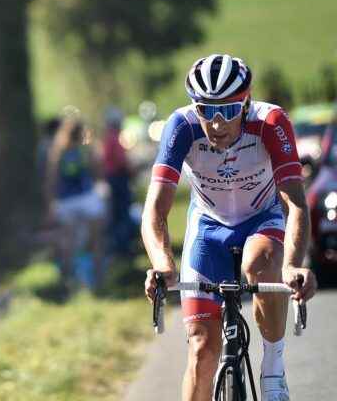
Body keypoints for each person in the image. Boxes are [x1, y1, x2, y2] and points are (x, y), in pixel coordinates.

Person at [142, 54, 317, 401]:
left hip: (262, 219)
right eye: (207, 110)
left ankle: (273, 370)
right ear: (195, 108)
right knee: (202, 350)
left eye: (229, 110)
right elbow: (154, 211)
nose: (218, 123)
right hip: (209, 227)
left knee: (259, 262)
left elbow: (295, 203)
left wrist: (293, 264)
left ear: (247, 102)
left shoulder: (271, 122)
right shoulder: (181, 126)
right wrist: (163, 264)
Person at [44, 115, 106, 288]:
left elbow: (51, 180)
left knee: (69, 243)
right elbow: (98, 171)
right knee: (96, 240)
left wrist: (50, 203)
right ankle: (98, 277)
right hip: (86, 198)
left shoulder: (57, 152)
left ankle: (70, 280)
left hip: (66, 202)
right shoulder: (85, 150)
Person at [101, 107, 134, 255]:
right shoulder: (114, 139)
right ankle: (123, 246)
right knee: (122, 212)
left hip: (113, 179)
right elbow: (121, 162)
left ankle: (121, 244)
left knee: (118, 213)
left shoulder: (108, 138)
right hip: (118, 179)